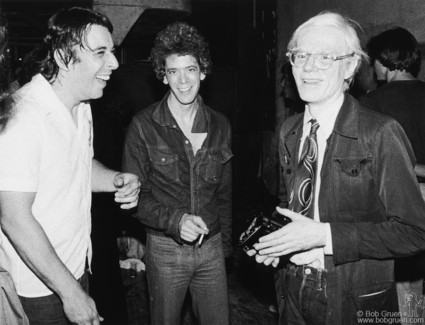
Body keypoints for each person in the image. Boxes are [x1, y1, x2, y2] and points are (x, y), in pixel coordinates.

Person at [247, 11, 425, 325]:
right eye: (300, 55)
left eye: (325, 57)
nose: (309, 66)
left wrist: (324, 237)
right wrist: (279, 240)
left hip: (352, 297)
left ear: (350, 66)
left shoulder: (378, 132)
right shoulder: (289, 131)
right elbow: (293, 205)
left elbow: (414, 233)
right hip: (290, 288)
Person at [0, 7, 141, 325]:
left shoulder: (82, 106)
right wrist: (70, 293)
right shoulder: (22, 118)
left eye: (113, 52)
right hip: (38, 289)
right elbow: (13, 217)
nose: (114, 64)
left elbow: (78, 165)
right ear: (64, 57)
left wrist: (115, 179)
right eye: (101, 52)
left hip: (76, 267)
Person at [122, 21, 233, 325]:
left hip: (211, 247)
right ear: (163, 76)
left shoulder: (220, 125)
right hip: (165, 251)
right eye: (173, 71)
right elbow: (135, 199)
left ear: (204, 71)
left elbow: (224, 193)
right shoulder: (143, 126)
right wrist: (175, 221)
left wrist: (224, 249)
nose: (183, 81)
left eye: (190, 70)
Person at [360, 26, 425, 322]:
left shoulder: (371, 104)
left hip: (395, 200)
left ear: (383, 61)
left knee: (396, 280)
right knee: (417, 281)